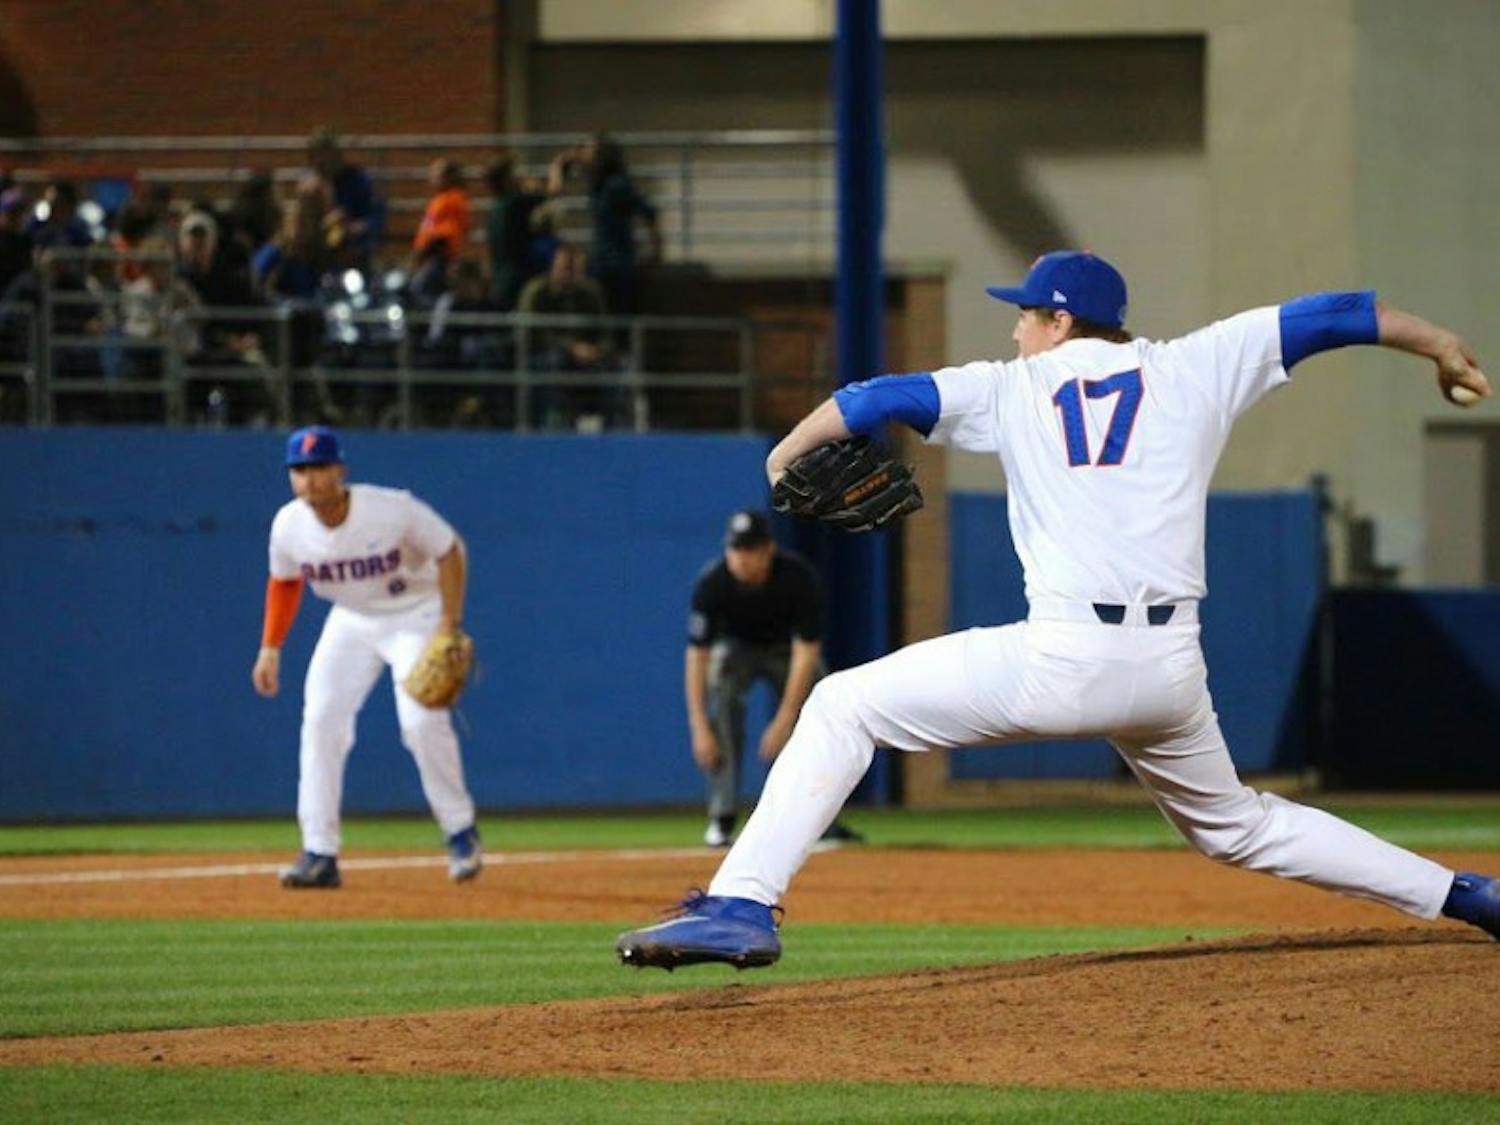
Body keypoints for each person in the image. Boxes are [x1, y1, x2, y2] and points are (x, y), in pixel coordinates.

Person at [616, 251, 1499, 969]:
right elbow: (1335, 313)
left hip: (1064, 658)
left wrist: (782, 459)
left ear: (1062, 321)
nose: (1016, 327)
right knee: (1236, 825)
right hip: (1169, 671)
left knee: (844, 704)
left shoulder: (1010, 387)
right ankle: (1469, 894)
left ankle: (740, 903)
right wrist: (1443, 345)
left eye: (1028, 313)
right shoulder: (1196, 364)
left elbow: (872, 399)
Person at [251, 426, 483, 888]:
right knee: (320, 720)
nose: (310, 479)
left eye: (319, 467)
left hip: (416, 613)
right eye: (299, 470)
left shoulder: (390, 509)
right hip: (352, 619)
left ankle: (460, 831)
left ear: (340, 470)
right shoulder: (288, 525)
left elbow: (449, 550)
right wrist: (270, 647)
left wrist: (450, 624)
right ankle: (319, 852)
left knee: (420, 721)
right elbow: (285, 582)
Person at [687, 510, 863, 849]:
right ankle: (721, 818)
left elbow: (806, 653)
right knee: (721, 699)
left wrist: (784, 719)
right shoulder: (713, 583)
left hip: (787, 651)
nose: (742, 557)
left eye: (750, 549)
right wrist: (699, 727)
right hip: (736, 650)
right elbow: (697, 657)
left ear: (768, 549)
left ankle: (821, 816)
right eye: (736, 549)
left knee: (825, 703)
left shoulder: (797, 579)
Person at [549, 134, 661, 315]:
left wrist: (656, 250)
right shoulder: (598, 184)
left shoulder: (616, 185)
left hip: (617, 264)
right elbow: (557, 187)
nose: (584, 153)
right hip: (602, 261)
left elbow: (649, 213)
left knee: (619, 316)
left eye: (589, 149)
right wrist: (563, 162)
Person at [410, 159, 471, 304]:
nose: (432, 178)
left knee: (420, 291)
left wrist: (422, 253)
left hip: (440, 259)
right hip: (432, 259)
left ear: (449, 177)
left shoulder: (452, 199)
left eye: (437, 174)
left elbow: (444, 235)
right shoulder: (441, 199)